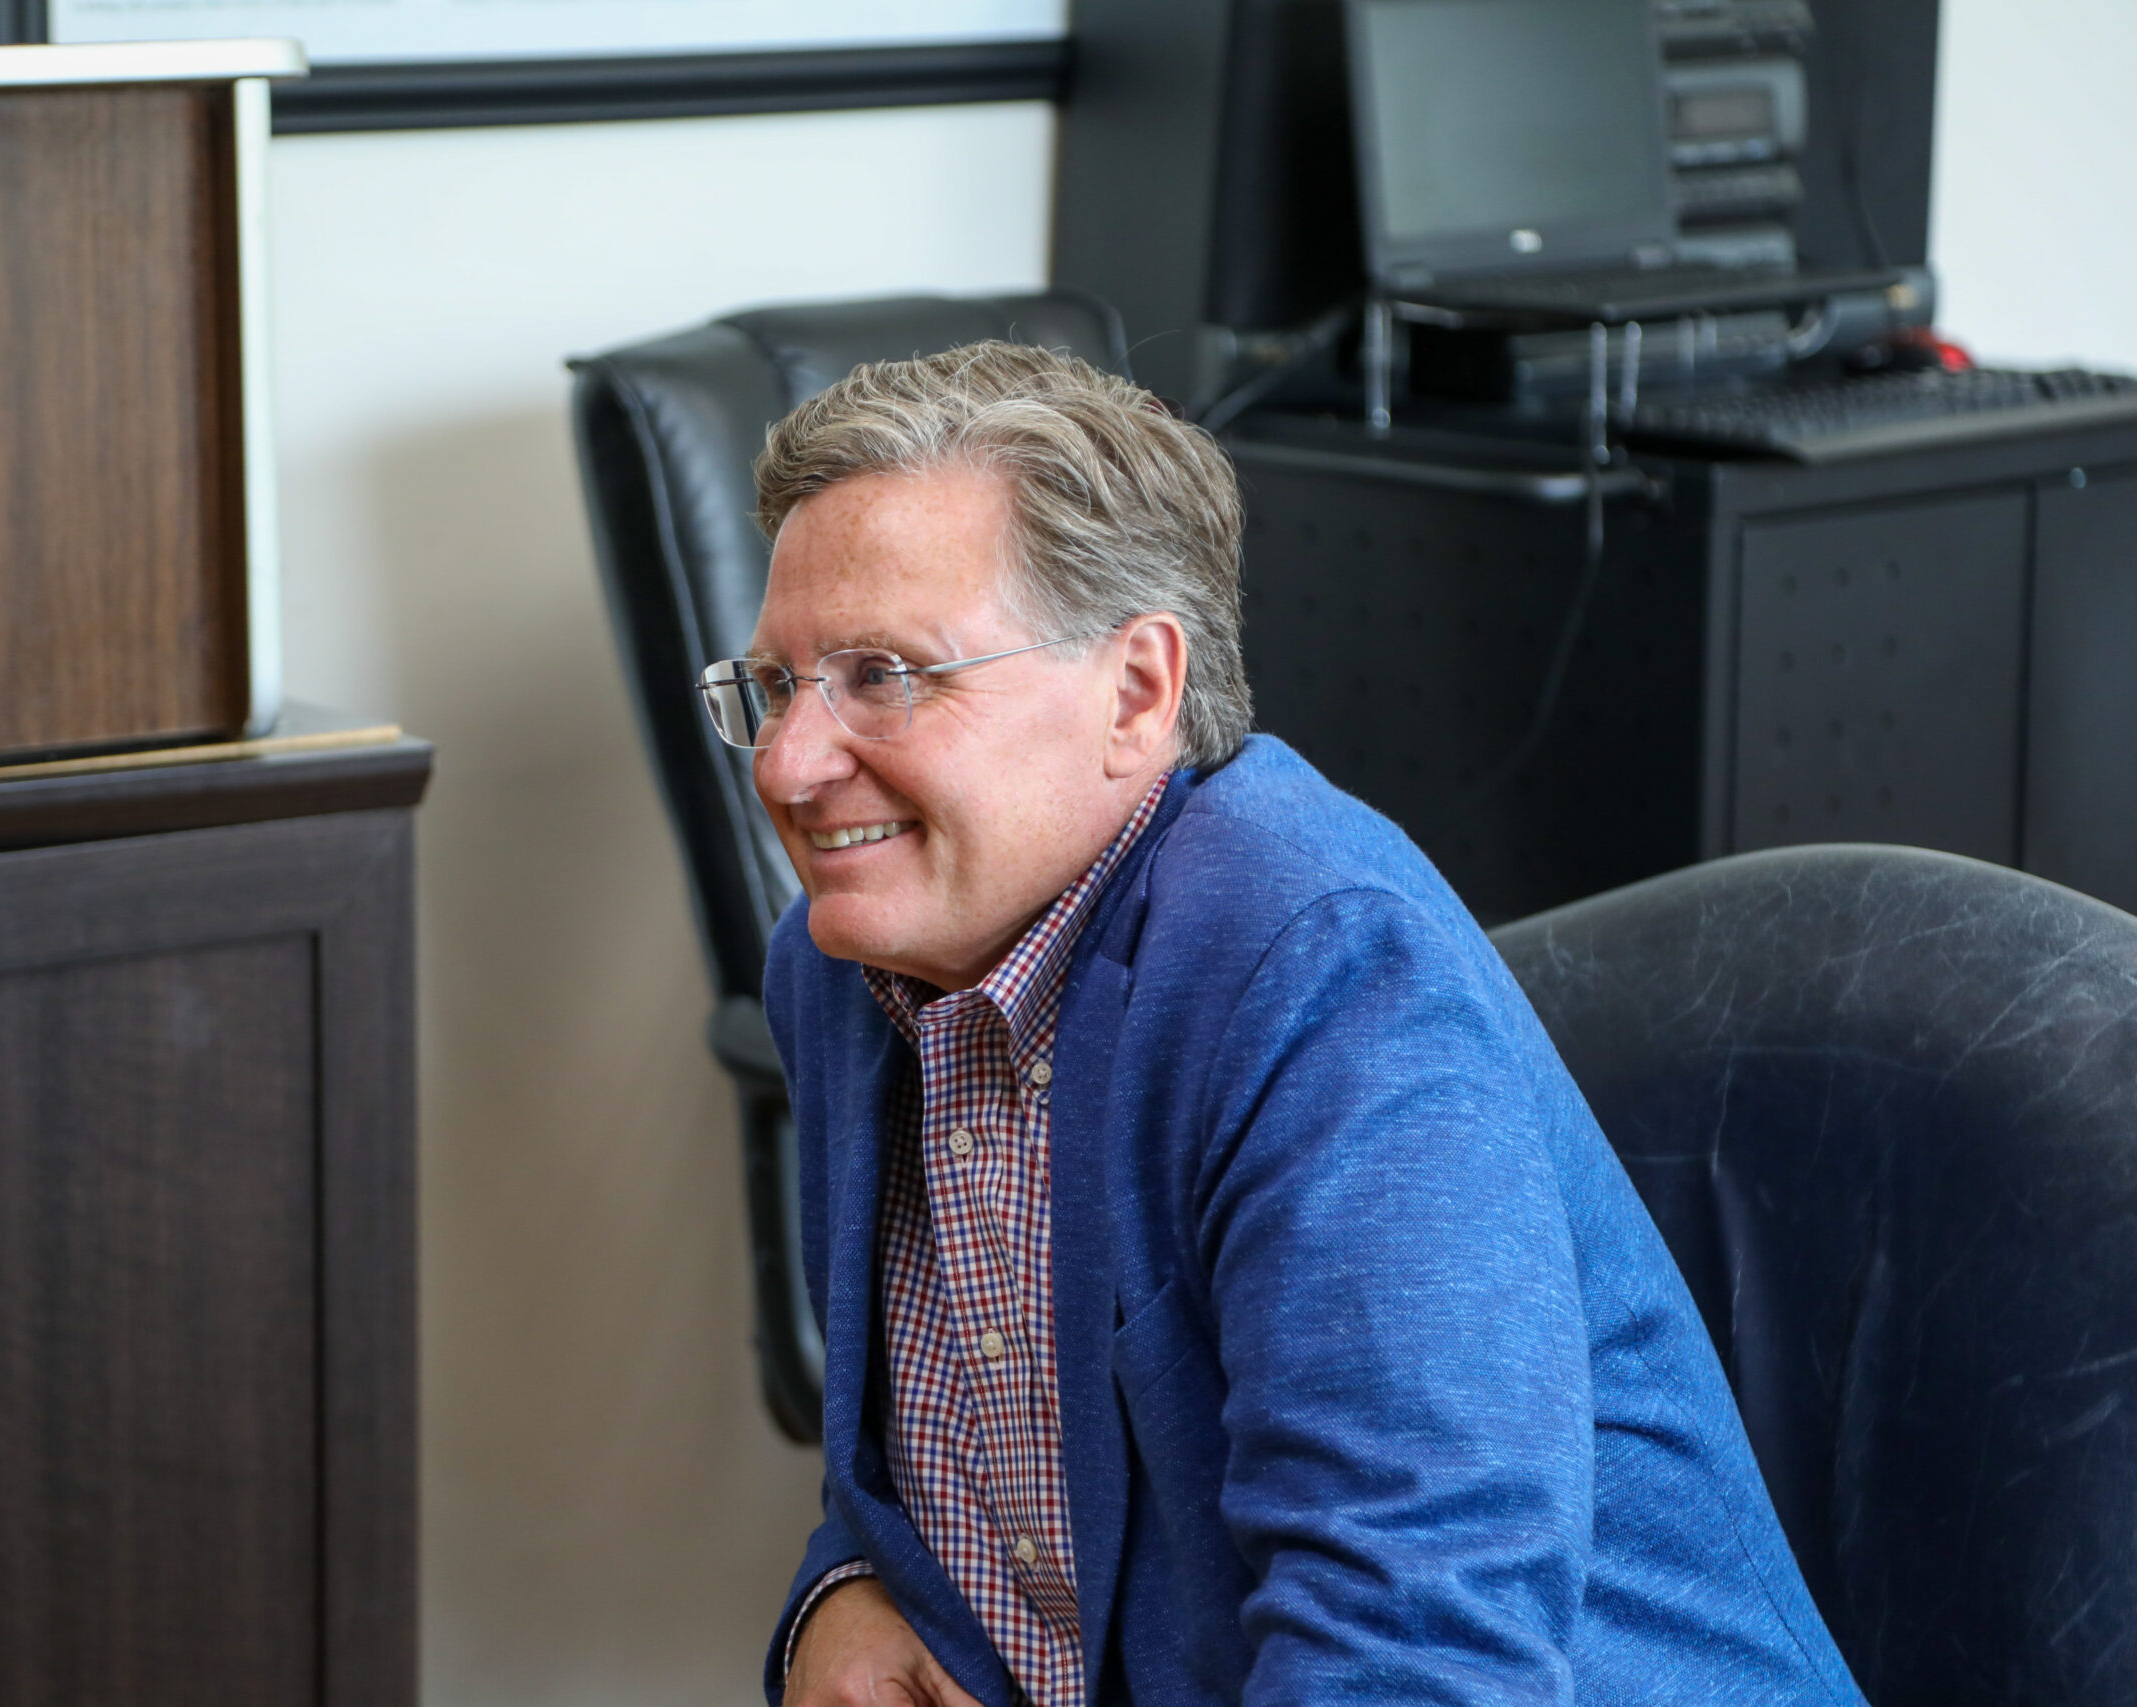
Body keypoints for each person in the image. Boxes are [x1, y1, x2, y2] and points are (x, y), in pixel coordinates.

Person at [702, 341, 1866, 1707]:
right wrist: (836, 1594)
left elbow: (1417, 1663)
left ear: (1134, 691)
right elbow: (924, 1483)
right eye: (777, 687)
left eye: (885, 675)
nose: (787, 763)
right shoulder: (845, 957)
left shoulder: (1326, 981)